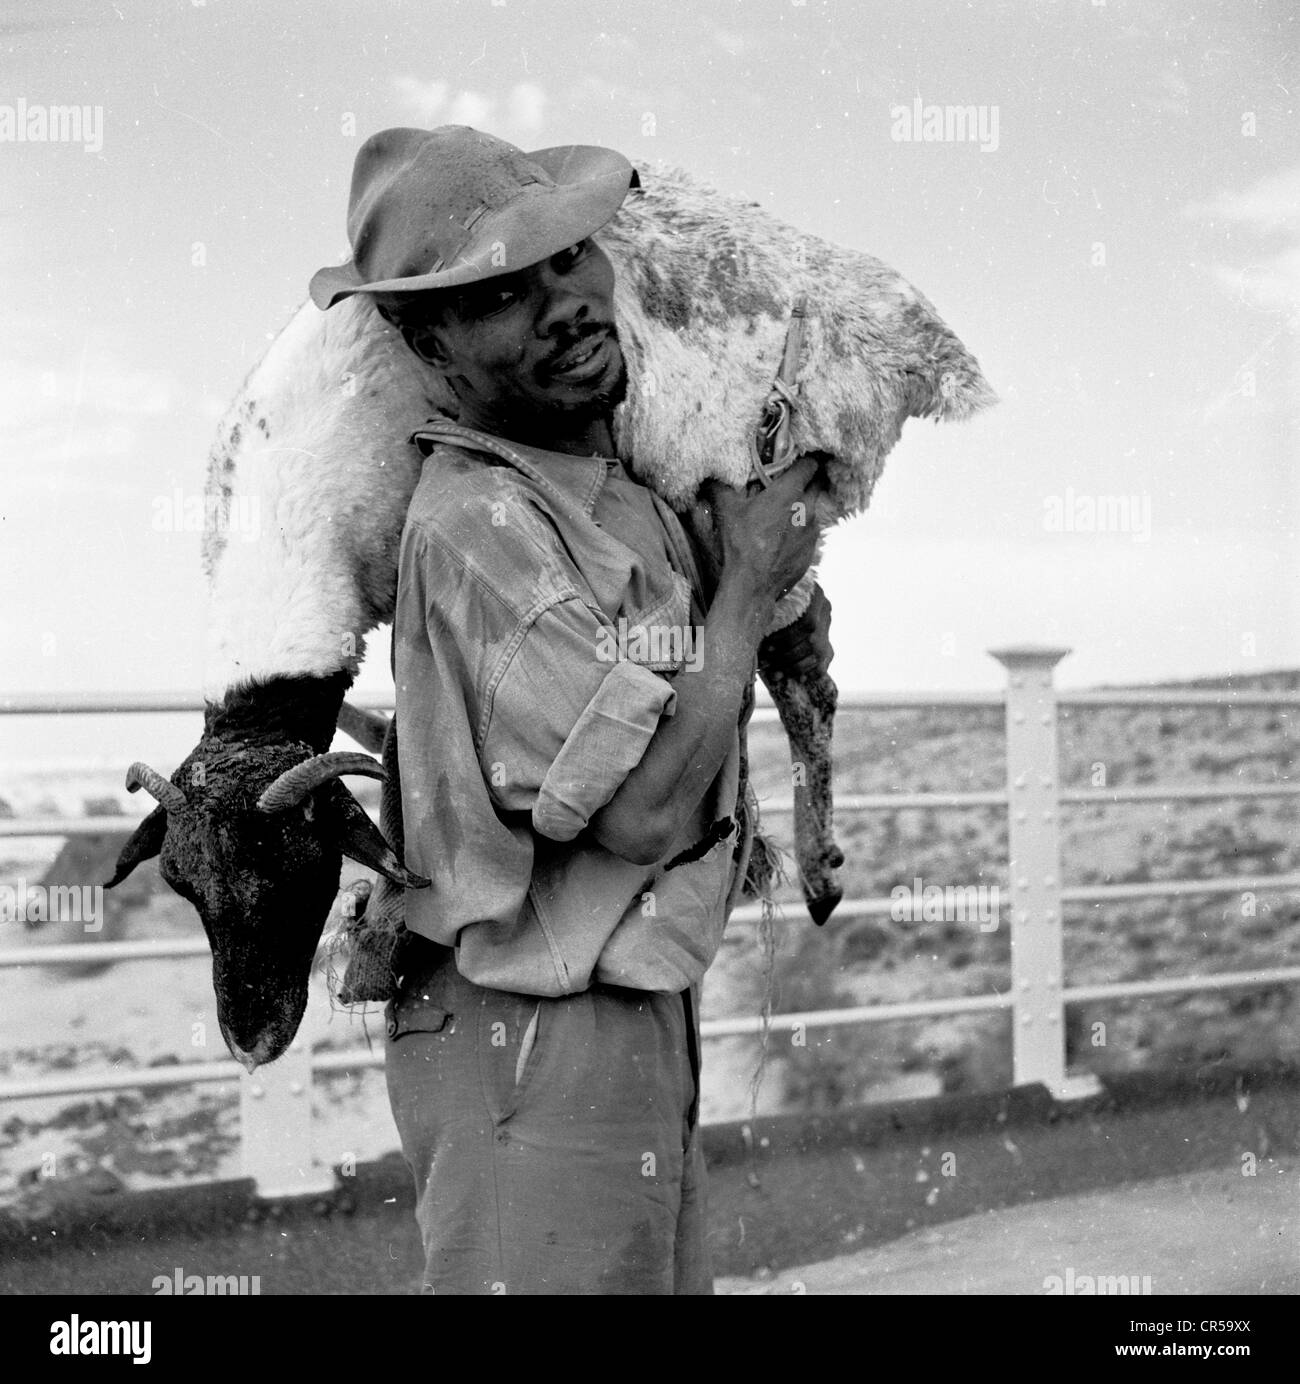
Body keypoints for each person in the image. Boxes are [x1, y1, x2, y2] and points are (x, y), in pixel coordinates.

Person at [309, 125, 828, 1295]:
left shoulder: (608, 497)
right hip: (529, 1043)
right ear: (426, 338)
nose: (563, 303)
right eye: (500, 291)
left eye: (565, 260)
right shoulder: (480, 526)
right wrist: (743, 589)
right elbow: (642, 816)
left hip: (625, 1016)